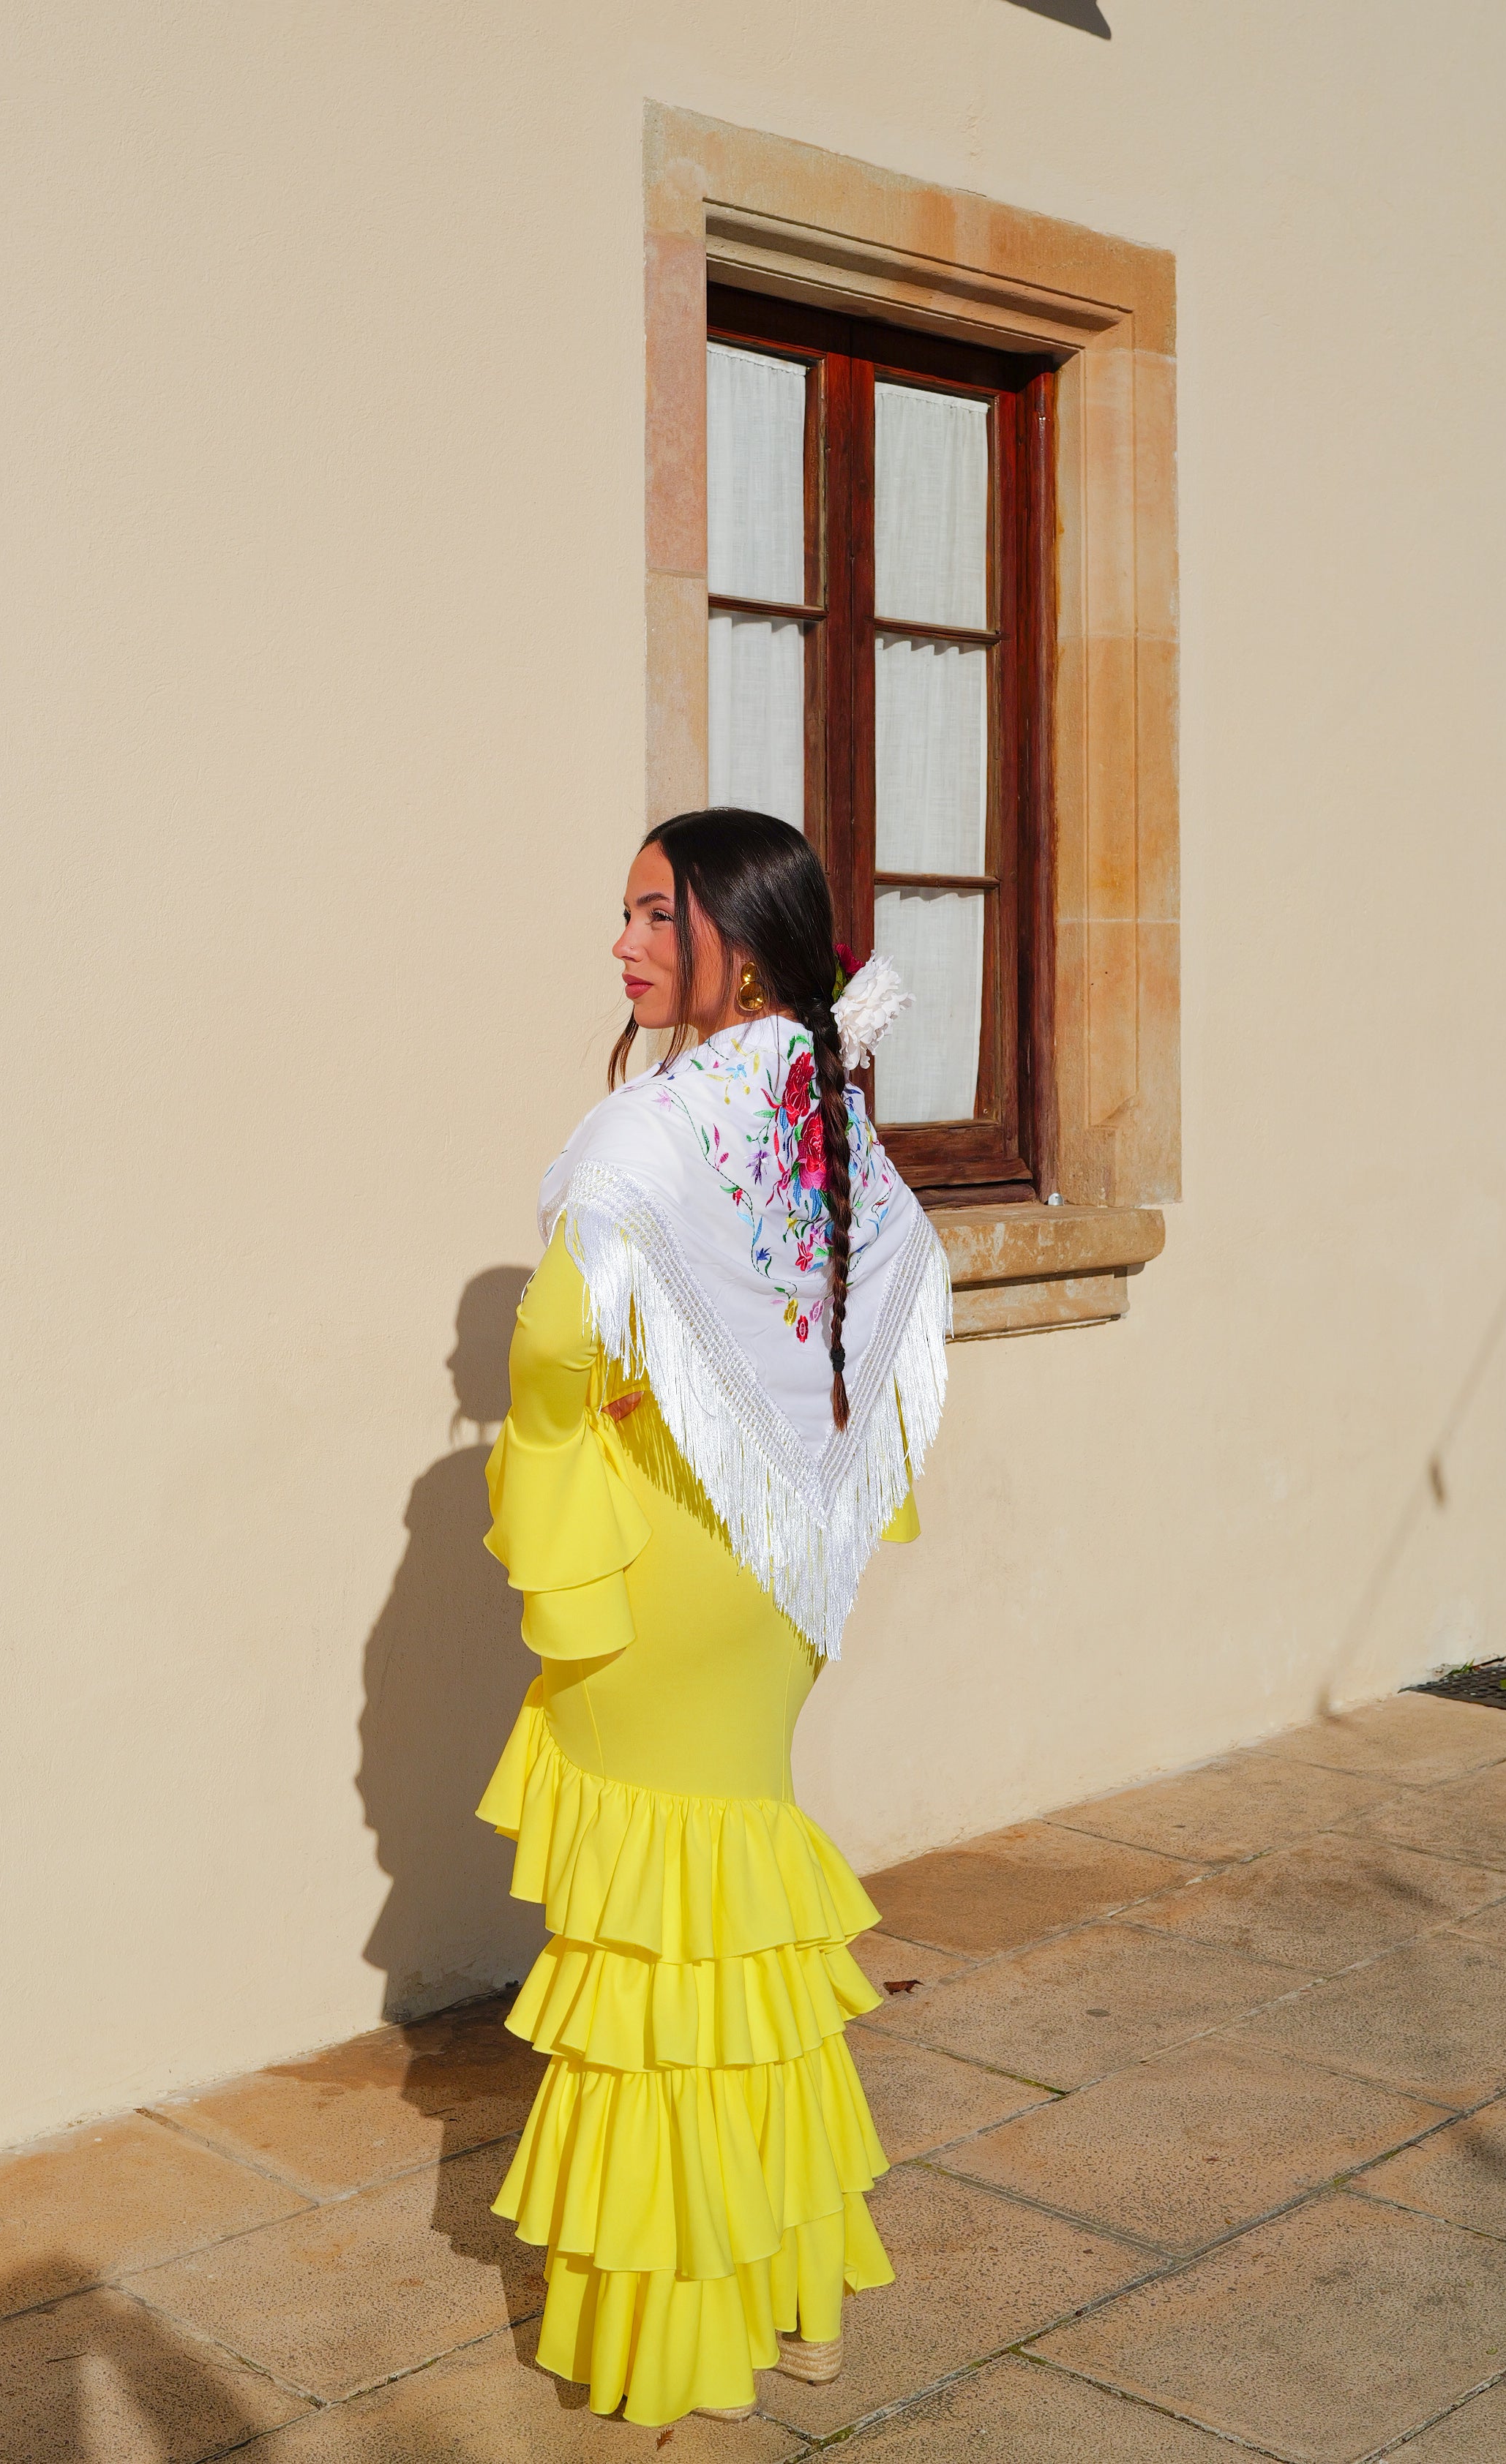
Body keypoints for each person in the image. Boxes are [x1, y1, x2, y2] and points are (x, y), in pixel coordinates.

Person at [475, 808, 950, 2426]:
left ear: (734, 941)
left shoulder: (656, 1127)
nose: (620, 944)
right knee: (745, 1939)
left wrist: (586, 1427)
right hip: (776, 1586)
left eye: (649, 915)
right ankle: (798, 2301)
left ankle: (671, 2339)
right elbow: (906, 1291)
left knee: (657, 1954)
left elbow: (550, 1344)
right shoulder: (832, 1110)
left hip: (668, 1574)